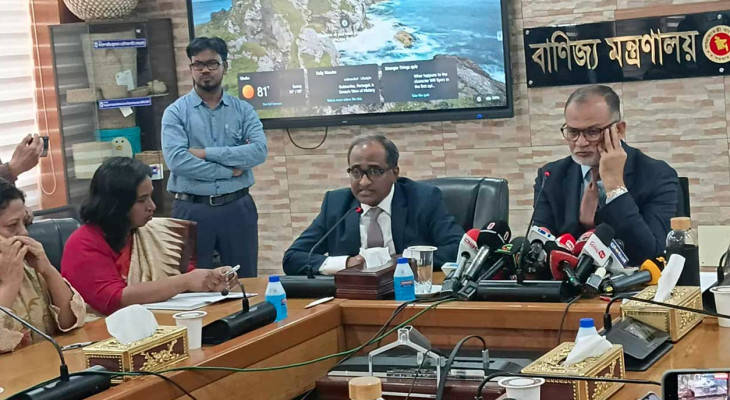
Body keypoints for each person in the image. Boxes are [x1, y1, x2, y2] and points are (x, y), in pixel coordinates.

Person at [62, 157, 235, 317]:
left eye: (150, 197)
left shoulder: (151, 231)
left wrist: (211, 280)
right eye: (141, 200)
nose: (152, 206)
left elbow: (180, 274)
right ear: (116, 204)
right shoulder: (84, 242)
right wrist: (185, 282)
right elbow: (114, 300)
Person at [533, 85, 679, 265]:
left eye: (592, 132)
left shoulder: (657, 175)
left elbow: (651, 255)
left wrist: (614, 185)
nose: (581, 142)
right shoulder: (550, 176)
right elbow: (539, 246)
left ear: (619, 130)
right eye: (573, 132)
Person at [283, 135, 464, 276]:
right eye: (356, 172)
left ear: (395, 173)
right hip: (352, 297)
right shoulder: (336, 205)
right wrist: (346, 264)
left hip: (409, 291)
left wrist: (406, 259)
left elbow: (459, 249)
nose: (364, 182)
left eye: (375, 171)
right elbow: (293, 258)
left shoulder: (423, 199)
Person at [162, 37, 267, 278]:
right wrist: (229, 171)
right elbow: (177, 161)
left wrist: (205, 153)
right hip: (191, 209)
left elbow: (258, 151)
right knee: (191, 284)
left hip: (237, 208)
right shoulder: (175, 112)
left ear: (224, 66)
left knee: (244, 281)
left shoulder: (243, 110)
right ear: (191, 68)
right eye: (198, 64)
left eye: (212, 63)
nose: (205, 70)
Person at [0, 179, 85, 353]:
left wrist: (47, 270)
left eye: (25, 223)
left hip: (47, 362)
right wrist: (9, 284)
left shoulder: (26, 263)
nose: (24, 232)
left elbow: (69, 321)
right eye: (12, 225)